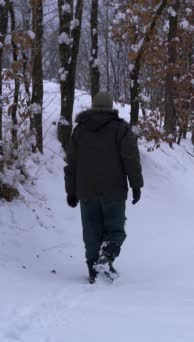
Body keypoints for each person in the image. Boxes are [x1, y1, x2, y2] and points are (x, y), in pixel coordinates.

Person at [64, 91, 143, 283]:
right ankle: (105, 258)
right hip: (113, 190)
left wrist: (71, 191)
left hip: (86, 191)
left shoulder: (79, 131)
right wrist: (136, 185)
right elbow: (130, 158)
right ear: (111, 107)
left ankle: (94, 268)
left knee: (91, 232)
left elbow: (71, 163)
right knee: (115, 230)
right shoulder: (121, 129)